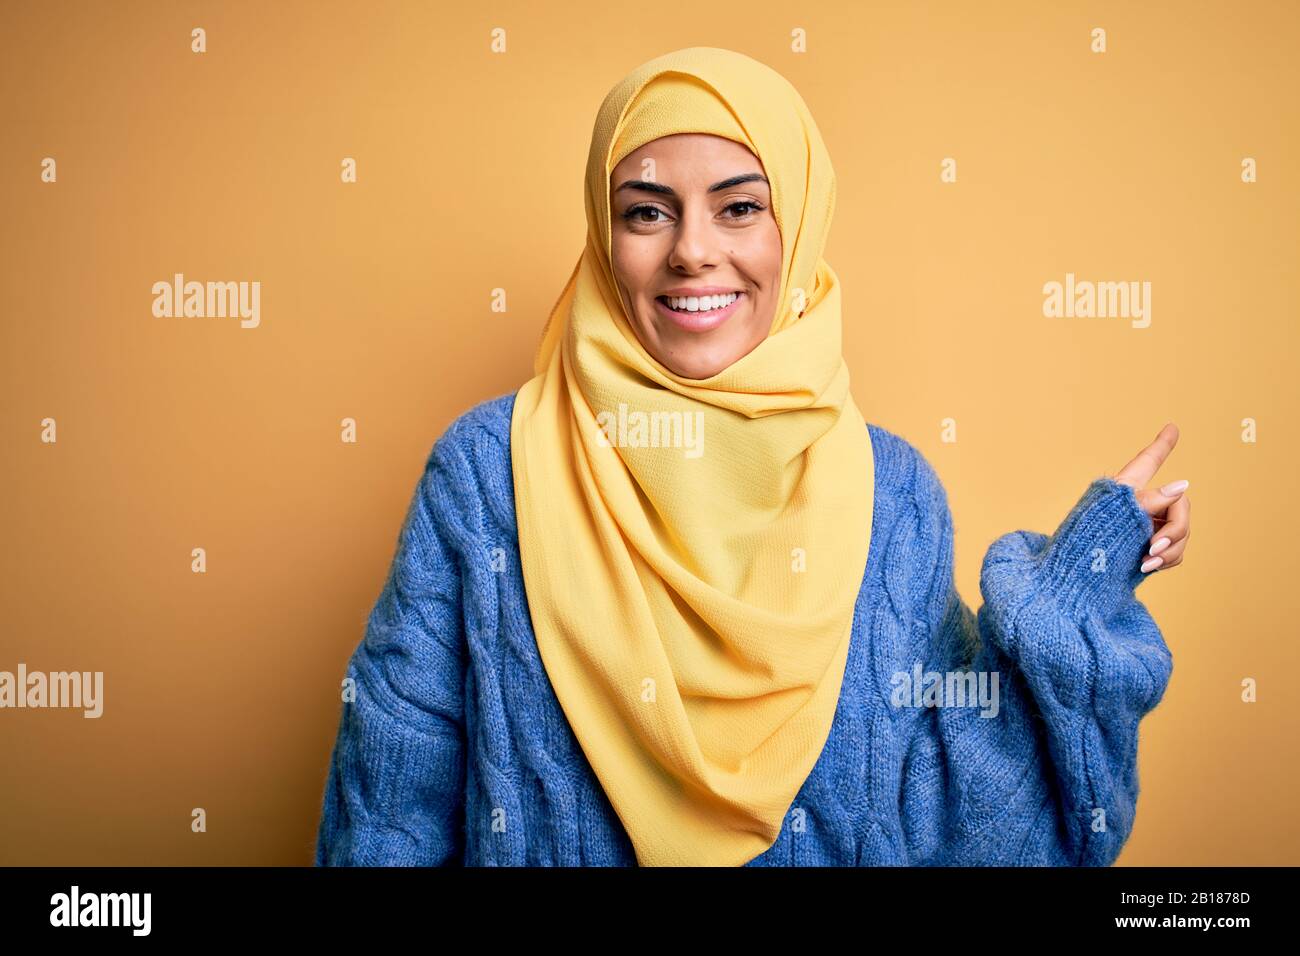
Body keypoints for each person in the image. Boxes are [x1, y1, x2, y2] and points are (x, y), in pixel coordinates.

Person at [314, 46, 1190, 867]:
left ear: (796, 229)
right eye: (647, 213)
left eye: (739, 207)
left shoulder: (893, 495)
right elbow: (388, 820)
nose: (693, 250)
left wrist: (1080, 586)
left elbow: (973, 836)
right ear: (602, 236)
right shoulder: (484, 476)